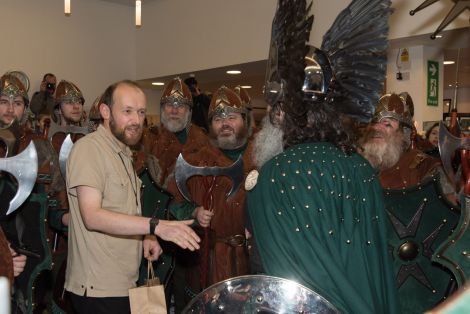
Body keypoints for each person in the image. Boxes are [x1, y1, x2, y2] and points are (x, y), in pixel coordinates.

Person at [64, 80, 200, 314]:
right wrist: (156, 226)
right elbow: (92, 216)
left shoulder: (124, 153)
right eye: (127, 111)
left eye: (140, 112)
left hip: (124, 282)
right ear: (106, 112)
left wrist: (145, 236)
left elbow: (121, 210)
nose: (136, 120)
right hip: (98, 289)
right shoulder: (89, 150)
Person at [169, 85, 254, 305]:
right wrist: (194, 212)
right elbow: (171, 204)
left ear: (245, 120)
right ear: (211, 126)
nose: (225, 124)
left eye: (232, 117)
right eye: (217, 119)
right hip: (208, 261)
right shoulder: (196, 161)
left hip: (252, 260)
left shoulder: (263, 157)